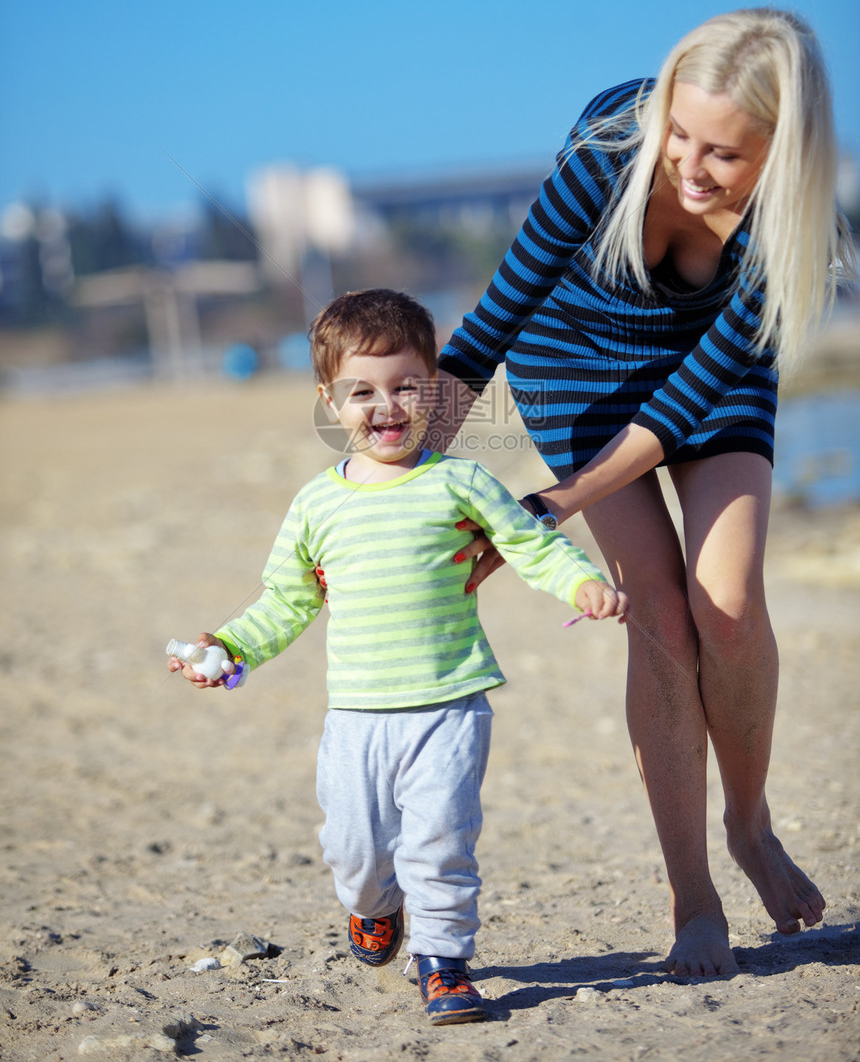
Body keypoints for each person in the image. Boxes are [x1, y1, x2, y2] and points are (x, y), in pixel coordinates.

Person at [434, 8, 856, 978]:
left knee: (729, 606)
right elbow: (490, 323)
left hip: (707, 382)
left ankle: (748, 826)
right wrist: (384, 479)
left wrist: (551, 502)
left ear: (780, 154)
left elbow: (679, 411)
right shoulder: (608, 150)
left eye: (723, 154)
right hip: (570, 357)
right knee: (659, 613)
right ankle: (691, 895)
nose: (688, 166)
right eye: (678, 133)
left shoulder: (784, 231)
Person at [169, 288, 627, 1025]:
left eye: (405, 386)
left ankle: (443, 962)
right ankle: (373, 908)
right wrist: (225, 645)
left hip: (449, 705)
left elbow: (525, 542)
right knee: (354, 851)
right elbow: (285, 603)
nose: (386, 407)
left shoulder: (460, 480)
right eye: (362, 392)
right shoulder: (317, 504)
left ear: (436, 388)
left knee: (442, 842)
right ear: (329, 400)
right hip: (356, 718)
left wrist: (580, 583)